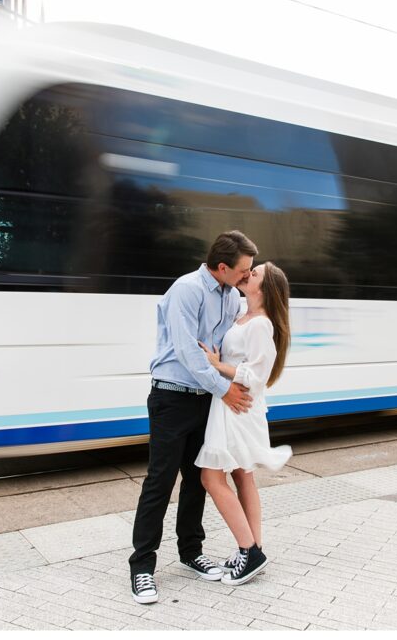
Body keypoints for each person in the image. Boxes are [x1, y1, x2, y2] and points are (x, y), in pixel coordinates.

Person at [128, 231, 258, 605]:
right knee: (160, 480)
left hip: (205, 399)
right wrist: (223, 388)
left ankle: (190, 552)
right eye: (244, 270)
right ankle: (142, 567)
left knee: (199, 479)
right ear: (222, 267)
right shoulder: (187, 289)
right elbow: (186, 351)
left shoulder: (231, 297)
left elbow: (238, 337)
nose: (247, 276)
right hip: (172, 396)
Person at [195, 261, 293, 586]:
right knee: (242, 475)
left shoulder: (260, 325)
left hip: (239, 407)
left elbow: (256, 376)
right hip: (231, 406)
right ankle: (253, 549)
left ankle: (249, 551)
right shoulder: (243, 315)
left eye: (255, 274)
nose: (248, 274)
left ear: (264, 290)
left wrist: (217, 364)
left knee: (212, 478)